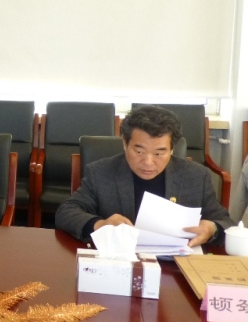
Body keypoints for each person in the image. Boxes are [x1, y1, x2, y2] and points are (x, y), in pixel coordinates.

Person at [56, 105, 234, 246]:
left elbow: (226, 223)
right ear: (125, 143)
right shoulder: (101, 172)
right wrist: (101, 225)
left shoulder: (196, 176)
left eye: (159, 153)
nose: (148, 162)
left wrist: (211, 228)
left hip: (175, 264)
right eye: (139, 151)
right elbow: (66, 212)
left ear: (172, 149)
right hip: (120, 261)